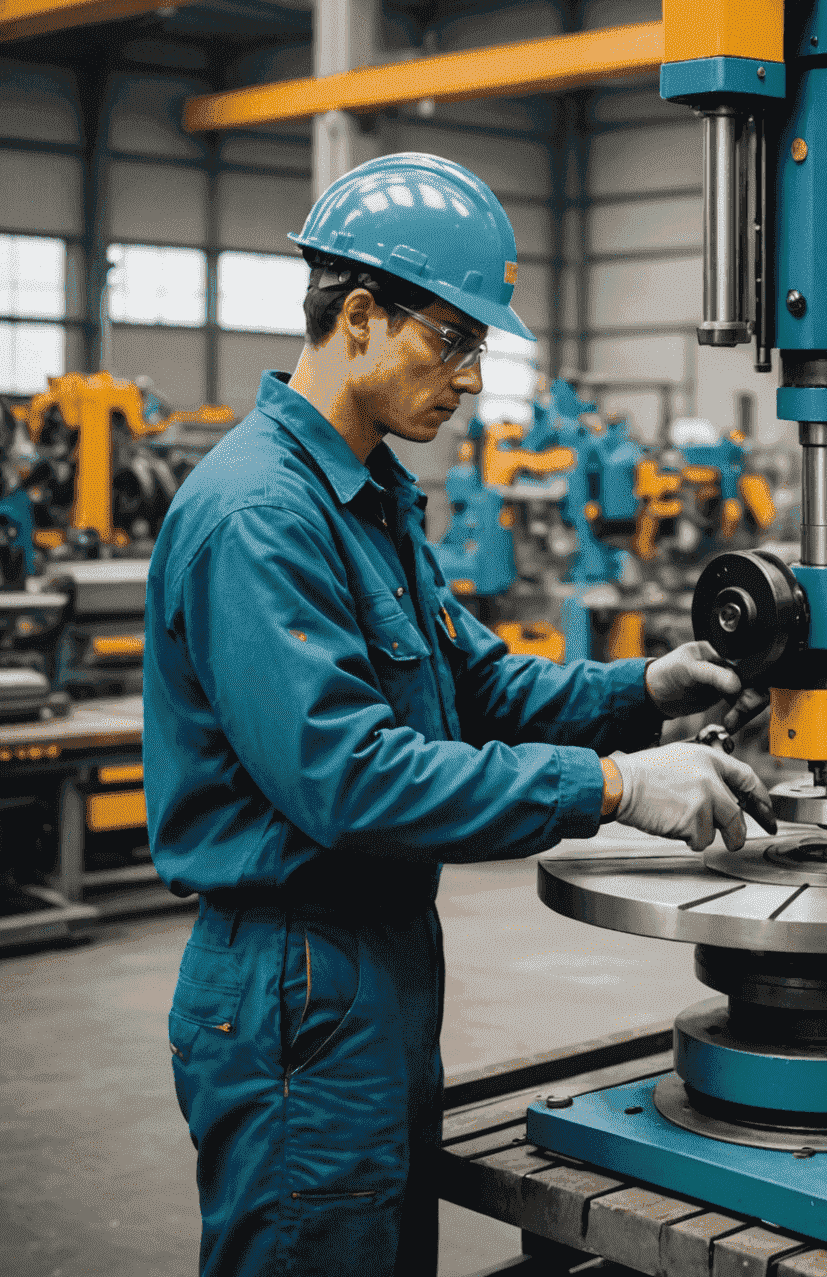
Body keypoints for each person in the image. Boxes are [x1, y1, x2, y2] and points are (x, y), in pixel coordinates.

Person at [143, 152, 775, 1277]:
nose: (473, 380)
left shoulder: (369, 497)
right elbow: (352, 778)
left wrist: (644, 691)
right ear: (358, 315)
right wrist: (621, 790)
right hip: (296, 976)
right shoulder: (259, 516)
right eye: (455, 341)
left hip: (373, 967)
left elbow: (481, 686)